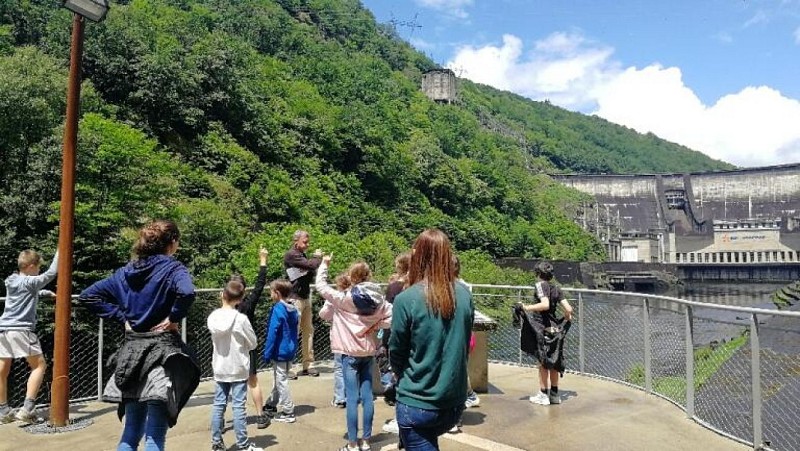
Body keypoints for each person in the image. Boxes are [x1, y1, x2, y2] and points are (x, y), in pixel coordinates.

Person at [78, 220, 200, 451]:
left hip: (131, 356)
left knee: (131, 429)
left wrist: (122, 318)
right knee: (155, 434)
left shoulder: (124, 272)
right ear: (172, 243)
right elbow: (186, 292)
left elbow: (87, 296)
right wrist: (173, 319)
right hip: (162, 355)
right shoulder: (174, 269)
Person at [389, 229, 473, 451]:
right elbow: (464, 344)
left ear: (419, 256)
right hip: (453, 403)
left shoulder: (406, 299)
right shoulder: (464, 295)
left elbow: (396, 350)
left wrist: (400, 375)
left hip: (417, 402)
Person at [316, 255, 392, 451]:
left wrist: (324, 264)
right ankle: (366, 441)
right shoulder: (379, 300)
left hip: (349, 354)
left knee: (351, 399)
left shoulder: (344, 299)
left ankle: (352, 443)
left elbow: (321, 287)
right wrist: (374, 324)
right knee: (367, 396)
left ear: (353, 277)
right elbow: (392, 317)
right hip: (368, 352)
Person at [0, 249, 58, 424]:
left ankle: (3, 410)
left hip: (3, 329)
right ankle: (28, 408)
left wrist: (43, 293)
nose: (39, 271)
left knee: (2, 370)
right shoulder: (29, 281)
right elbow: (53, 273)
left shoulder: (12, 281)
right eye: (38, 268)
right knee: (39, 366)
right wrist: (60, 250)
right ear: (31, 266)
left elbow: (24, 293)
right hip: (22, 330)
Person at [208, 280, 263, 451]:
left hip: (220, 366)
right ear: (240, 299)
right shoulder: (241, 319)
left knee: (218, 404)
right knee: (238, 405)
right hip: (238, 366)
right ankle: (243, 444)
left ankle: (216, 442)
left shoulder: (213, 317)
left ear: (222, 295)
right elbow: (253, 343)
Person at [518, 261, 573, 406]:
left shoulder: (540, 285)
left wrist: (527, 307)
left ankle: (543, 394)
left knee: (542, 361)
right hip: (554, 328)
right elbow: (569, 309)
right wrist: (567, 318)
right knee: (554, 361)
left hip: (541, 328)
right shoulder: (557, 288)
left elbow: (545, 304)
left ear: (538, 273)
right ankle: (554, 395)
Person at [229, 247, 270, 428]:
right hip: (248, 347)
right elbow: (260, 285)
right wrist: (263, 261)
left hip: (230, 349)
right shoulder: (248, 305)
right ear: (244, 290)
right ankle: (261, 416)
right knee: (253, 381)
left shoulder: (222, 312)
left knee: (226, 386)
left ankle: (220, 421)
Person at [283, 230, 322, 377]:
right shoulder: (291, 255)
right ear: (296, 241)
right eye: (305, 242)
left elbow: (310, 269)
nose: (307, 244)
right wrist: (317, 257)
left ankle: (308, 364)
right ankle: (289, 366)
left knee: (308, 330)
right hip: (295, 298)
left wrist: (311, 264)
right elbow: (312, 266)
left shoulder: (302, 255)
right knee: (294, 331)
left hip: (305, 296)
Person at [380, 251, 411, 435]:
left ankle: (401, 417)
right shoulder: (419, 285)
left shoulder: (394, 288)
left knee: (397, 373)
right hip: (414, 338)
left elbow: (386, 310)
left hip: (395, 334)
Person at [262, 279, 298, 423]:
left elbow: (272, 333)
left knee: (281, 380)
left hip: (279, 351)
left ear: (277, 293)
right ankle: (271, 404)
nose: (270, 294)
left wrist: (267, 353)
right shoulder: (293, 309)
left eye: (271, 291)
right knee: (278, 379)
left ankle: (288, 411)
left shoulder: (277, 309)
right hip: (289, 349)